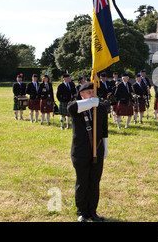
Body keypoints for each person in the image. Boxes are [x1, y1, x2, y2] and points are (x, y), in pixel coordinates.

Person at [68, 82, 108, 222]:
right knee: (82, 182)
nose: (92, 94)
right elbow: (71, 108)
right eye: (88, 92)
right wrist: (91, 102)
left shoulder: (101, 108)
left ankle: (92, 212)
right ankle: (82, 213)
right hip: (81, 152)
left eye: (93, 92)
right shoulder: (77, 107)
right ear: (82, 94)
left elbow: (104, 131)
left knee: (94, 182)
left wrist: (105, 148)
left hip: (97, 150)